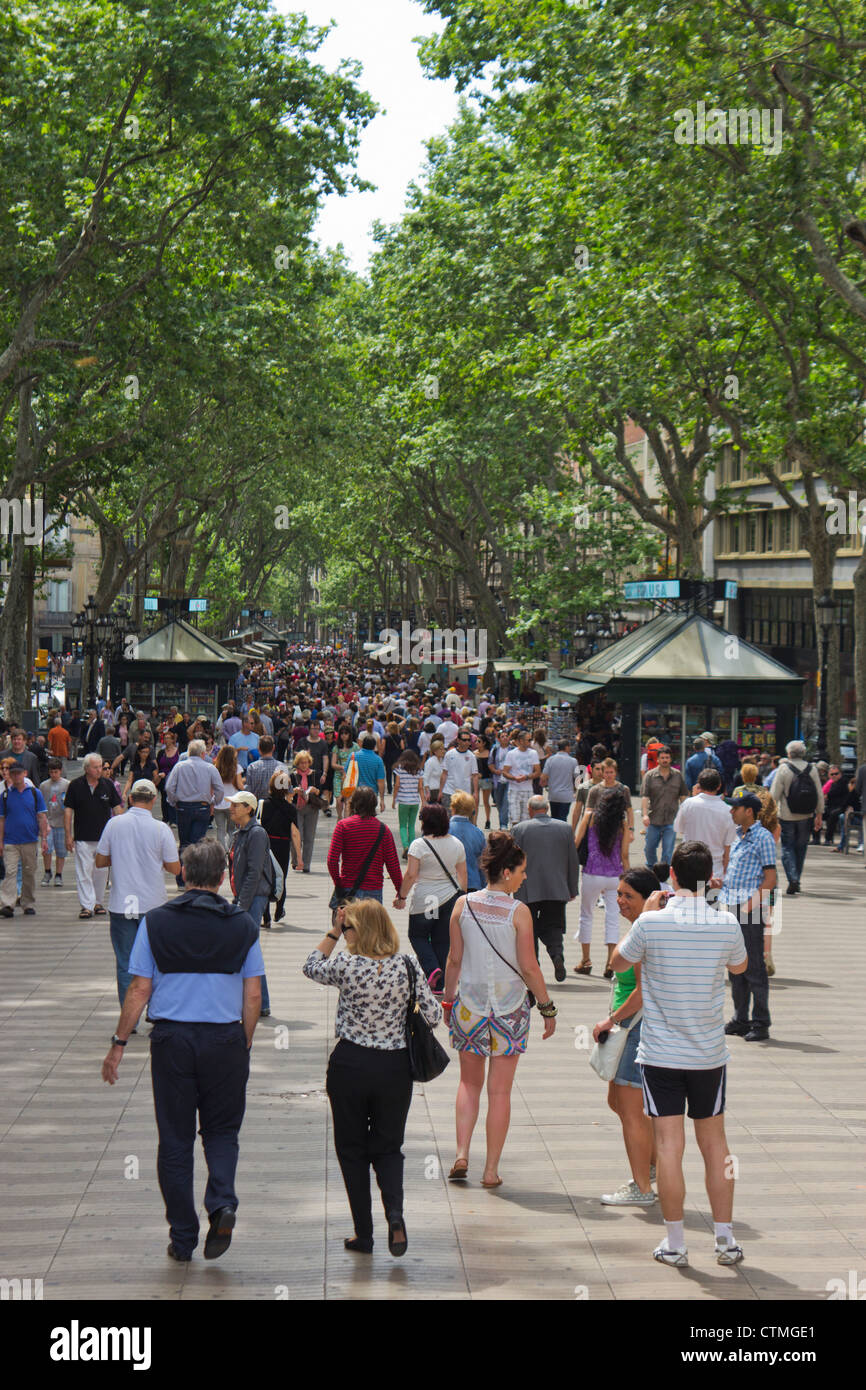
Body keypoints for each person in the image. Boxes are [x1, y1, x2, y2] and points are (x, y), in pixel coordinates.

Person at [101, 839, 265, 1262]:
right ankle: (223, 1202)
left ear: (184, 875)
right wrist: (244, 1042)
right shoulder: (243, 925)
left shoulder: (156, 923)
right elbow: (252, 995)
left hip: (173, 1041)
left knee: (174, 1140)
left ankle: (183, 1236)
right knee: (222, 1131)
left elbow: (139, 988)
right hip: (225, 1040)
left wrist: (119, 1043)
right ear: (223, 876)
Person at [609, 841, 748, 1267]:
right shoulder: (725, 922)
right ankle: (725, 1240)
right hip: (709, 1054)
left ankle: (675, 1243)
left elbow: (618, 963)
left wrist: (648, 915)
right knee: (715, 1144)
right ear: (709, 877)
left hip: (661, 1055)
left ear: (671, 875)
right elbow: (740, 968)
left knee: (669, 1145)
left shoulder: (652, 924)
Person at [303, 898, 441, 1254]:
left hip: (350, 1064)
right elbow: (434, 1016)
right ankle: (394, 1214)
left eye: (349, 928)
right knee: (389, 1147)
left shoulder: (345, 964)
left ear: (357, 931)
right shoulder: (407, 964)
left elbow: (310, 965)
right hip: (394, 1068)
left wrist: (334, 930)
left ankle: (364, 1233)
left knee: (351, 1150)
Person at [442, 832, 557, 1187]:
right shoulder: (518, 912)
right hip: (509, 1009)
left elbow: (454, 958)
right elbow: (529, 966)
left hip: (469, 1006)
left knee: (468, 1083)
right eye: (521, 871)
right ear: (506, 872)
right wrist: (547, 1007)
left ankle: (462, 1153)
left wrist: (448, 1000)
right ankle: (490, 1170)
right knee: (500, 1092)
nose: (524, 877)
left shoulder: (463, 905)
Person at [593, 866, 665, 1206]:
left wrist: (611, 1021)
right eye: (618, 894)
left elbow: (638, 987)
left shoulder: (645, 931)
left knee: (632, 1110)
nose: (620, 901)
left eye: (628, 896)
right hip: (632, 1025)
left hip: (636, 1027)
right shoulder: (644, 927)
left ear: (646, 899)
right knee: (618, 1102)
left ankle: (642, 1187)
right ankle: (651, 1167)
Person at [94, 780, 181, 1018]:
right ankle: (154, 1011)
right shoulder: (161, 828)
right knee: (154, 961)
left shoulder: (114, 824)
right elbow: (175, 868)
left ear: (130, 798)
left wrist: (120, 858)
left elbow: (100, 861)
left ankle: (129, 1018)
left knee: (125, 964)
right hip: (152, 904)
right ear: (154, 800)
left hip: (122, 904)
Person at [719, 794, 778, 1042]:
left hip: (748, 909)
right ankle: (740, 1019)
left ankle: (761, 1022)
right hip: (732, 905)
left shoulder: (762, 837)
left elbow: (770, 878)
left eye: (736, 808)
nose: (732, 811)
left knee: (754, 968)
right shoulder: (737, 834)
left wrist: (749, 906)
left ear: (750, 811)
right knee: (736, 967)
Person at [395, 801, 467, 996]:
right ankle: (438, 984)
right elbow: (463, 875)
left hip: (426, 898)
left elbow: (411, 875)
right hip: (450, 898)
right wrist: (463, 899)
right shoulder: (456, 843)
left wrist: (401, 896)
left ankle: (431, 968)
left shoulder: (419, 845)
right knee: (442, 940)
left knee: (417, 935)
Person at [511, 793, 580, 982]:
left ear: (530, 810)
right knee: (554, 925)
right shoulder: (565, 829)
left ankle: (534, 966)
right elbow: (572, 861)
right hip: (556, 888)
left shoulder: (520, 829)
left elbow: (513, 860)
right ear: (547, 809)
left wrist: (509, 886)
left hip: (526, 888)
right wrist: (572, 888)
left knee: (527, 929)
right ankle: (557, 954)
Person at [574, 785, 632, 978]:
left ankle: (586, 959)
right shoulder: (622, 825)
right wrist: (629, 878)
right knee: (613, 918)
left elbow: (576, 844)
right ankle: (610, 962)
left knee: (586, 915)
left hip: (592, 872)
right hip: (615, 875)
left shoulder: (590, 817)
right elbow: (624, 854)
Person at [226, 791, 273, 1015]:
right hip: (244, 896)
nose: (232, 808)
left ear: (249, 809)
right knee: (246, 948)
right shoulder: (240, 833)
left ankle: (261, 1002)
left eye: (236, 805)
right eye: (231, 805)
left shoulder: (256, 833)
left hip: (253, 897)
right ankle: (255, 1001)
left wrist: (241, 905)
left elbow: (254, 872)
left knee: (249, 948)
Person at [64, 752, 123, 919]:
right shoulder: (75, 785)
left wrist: (123, 829)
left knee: (101, 872)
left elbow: (117, 808)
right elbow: (68, 811)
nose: (100, 770)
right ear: (87, 768)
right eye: (96, 767)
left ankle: (98, 902)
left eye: (101, 767)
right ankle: (86, 906)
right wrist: (68, 835)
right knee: (84, 871)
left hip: (104, 837)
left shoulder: (107, 785)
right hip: (82, 836)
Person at [327, 786, 403, 910]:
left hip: (348, 890)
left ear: (353, 803)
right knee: (372, 929)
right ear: (374, 804)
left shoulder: (343, 826)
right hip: (373, 892)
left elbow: (332, 860)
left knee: (348, 928)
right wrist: (400, 893)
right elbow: (393, 864)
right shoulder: (383, 830)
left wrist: (338, 883)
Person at [165, 740, 224, 888]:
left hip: (183, 807)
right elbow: (219, 790)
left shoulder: (179, 766)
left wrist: (174, 802)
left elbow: (169, 787)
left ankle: (181, 879)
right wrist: (213, 802)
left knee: (184, 843)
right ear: (203, 753)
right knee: (197, 844)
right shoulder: (210, 768)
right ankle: (195, 878)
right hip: (202, 808)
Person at [770, 740, 824, 894]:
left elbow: (774, 794)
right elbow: (819, 793)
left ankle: (792, 878)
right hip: (806, 815)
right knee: (801, 848)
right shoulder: (812, 769)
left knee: (787, 847)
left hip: (787, 815)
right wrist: (819, 814)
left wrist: (771, 815)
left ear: (788, 754)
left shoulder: (783, 769)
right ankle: (797, 878)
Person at [0, 761, 49, 917]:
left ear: (25, 774)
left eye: (18, 773)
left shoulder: (35, 793)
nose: (16, 776)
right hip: (10, 840)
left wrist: (44, 839)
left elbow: (41, 817)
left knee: (29, 872)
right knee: (10, 872)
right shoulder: (5, 795)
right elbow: (1, 820)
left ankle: (27, 902)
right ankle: (7, 903)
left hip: (29, 840)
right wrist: (0, 841)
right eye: (13, 773)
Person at [673, 767, 737, 879]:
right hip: (715, 869)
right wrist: (725, 871)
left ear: (699, 785)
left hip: (689, 865)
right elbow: (728, 847)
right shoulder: (728, 811)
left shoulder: (688, 804)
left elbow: (679, 828)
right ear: (719, 786)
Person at [259, 771, 302, 924]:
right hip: (283, 845)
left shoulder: (263, 804)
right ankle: (279, 910)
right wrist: (299, 858)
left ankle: (266, 916)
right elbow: (295, 834)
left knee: (264, 878)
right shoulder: (290, 809)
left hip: (265, 845)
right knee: (281, 878)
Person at [640, 744, 687, 867]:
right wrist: (644, 815)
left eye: (667, 757)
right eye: (662, 758)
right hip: (653, 819)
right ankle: (652, 869)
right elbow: (645, 797)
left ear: (670, 759)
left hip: (671, 820)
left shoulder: (678, 775)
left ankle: (663, 876)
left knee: (667, 852)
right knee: (649, 849)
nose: (665, 760)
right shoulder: (649, 776)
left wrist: (686, 815)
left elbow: (683, 797)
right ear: (658, 759)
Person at [446, 791, 487, 891]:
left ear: (453, 808)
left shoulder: (445, 829)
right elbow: (482, 862)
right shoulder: (478, 832)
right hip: (473, 882)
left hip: (449, 884)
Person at [289, 749, 320, 874]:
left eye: (306, 762)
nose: (304, 765)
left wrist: (314, 790)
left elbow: (320, 792)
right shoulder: (292, 775)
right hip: (296, 807)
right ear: (297, 763)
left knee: (309, 837)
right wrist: (294, 791)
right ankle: (296, 860)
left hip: (311, 807)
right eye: (301, 763)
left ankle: (306, 864)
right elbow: (288, 793)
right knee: (296, 835)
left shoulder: (315, 774)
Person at [502, 728, 541, 827]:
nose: (530, 742)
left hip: (528, 789)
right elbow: (505, 772)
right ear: (520, 741)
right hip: (514, 789)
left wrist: (526, 777)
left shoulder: (533, 753)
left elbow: (538, 772)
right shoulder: (511, 754)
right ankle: (514, 840)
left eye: (530, 739)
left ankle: (523, 841)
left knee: (526, 820)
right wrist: (515, 778)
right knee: (514, 818)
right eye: (528, 740)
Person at [39, 758, 70, 885]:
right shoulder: (44, 786)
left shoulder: (67, 784)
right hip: (48, 821)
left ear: (60, 771)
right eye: (51, 772)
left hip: (62, 822)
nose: (53, 775)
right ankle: (47, 871)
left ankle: (59, 874)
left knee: (61, 850)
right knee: (47, 849)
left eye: (56, 772)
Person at [392, 749, 423, 860]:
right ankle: (413, 849)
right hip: (415, 801)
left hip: (403, 801)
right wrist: (423, 802)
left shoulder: (400, 769)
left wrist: (394, 800)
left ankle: (405, 846)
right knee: (411, 826)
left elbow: (397, 785)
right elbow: (420, 787)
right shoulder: (418, 770)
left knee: (402, 826)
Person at [213, 745, 245, 851]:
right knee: (231, 830)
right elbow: (240, 786)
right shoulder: (237, 768)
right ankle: (231, 851)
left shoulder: (215, 768)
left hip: (218, 803)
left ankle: (222, 852)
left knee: (220, 830)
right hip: (232, 803)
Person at [440, 728, 479, 812]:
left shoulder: (472, 756)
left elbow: (475, 775)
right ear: (458, 740)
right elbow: (444, 773)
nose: (467, 742)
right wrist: (441, 791)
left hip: (465, 793)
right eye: (464, 740)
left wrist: (475, 792)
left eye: (469, 740)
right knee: (449, 818)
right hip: (449, 791)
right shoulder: (449, 754)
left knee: (463, 817)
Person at [541, 739, 580, 822]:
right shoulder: (573, 761)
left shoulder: (550, 760)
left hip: (553, 795)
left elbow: (543, 777)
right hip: (566, 795)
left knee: (554, 817)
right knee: (563, 818)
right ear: (566, 747)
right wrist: (576, 791)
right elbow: (577, 778)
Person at [242, 734, 284, 802]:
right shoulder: (281, 767)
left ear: (259, 749)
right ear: (273, 748)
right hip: (276, 807)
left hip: (258, 806)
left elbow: (248, 790)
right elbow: (285, 790)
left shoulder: (252, 767)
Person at [331, 725, 360, 820]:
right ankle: (339, 818)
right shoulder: (336, 747)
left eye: (346, 733)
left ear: (350, 734)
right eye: (342, 733)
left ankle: (346, 822)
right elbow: (333, 764)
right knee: (339, 800)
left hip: (351, 777)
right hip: (339, 776)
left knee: (348, 802)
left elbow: (358, 761)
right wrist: (343, 767)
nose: (344, 735)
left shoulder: (355, 747)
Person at [354, 735, 386, 810]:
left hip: (356, 792)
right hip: (372, 794)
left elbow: (345, 775)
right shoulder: (378, 760)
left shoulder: (353, 756)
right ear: (374, 747)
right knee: (369, 817)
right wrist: (382, 800)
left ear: (362, 744)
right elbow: (380, 781)